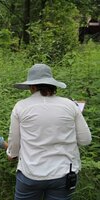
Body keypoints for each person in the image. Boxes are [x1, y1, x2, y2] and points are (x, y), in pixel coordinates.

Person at [6, 64, 92, 200]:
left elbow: (14, 142)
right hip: (63, 174)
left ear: (32, 87)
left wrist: (12, 154)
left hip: (30, 173)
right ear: (52, 85)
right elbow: (85, 140)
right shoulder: (70, 105)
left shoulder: (21, 106)